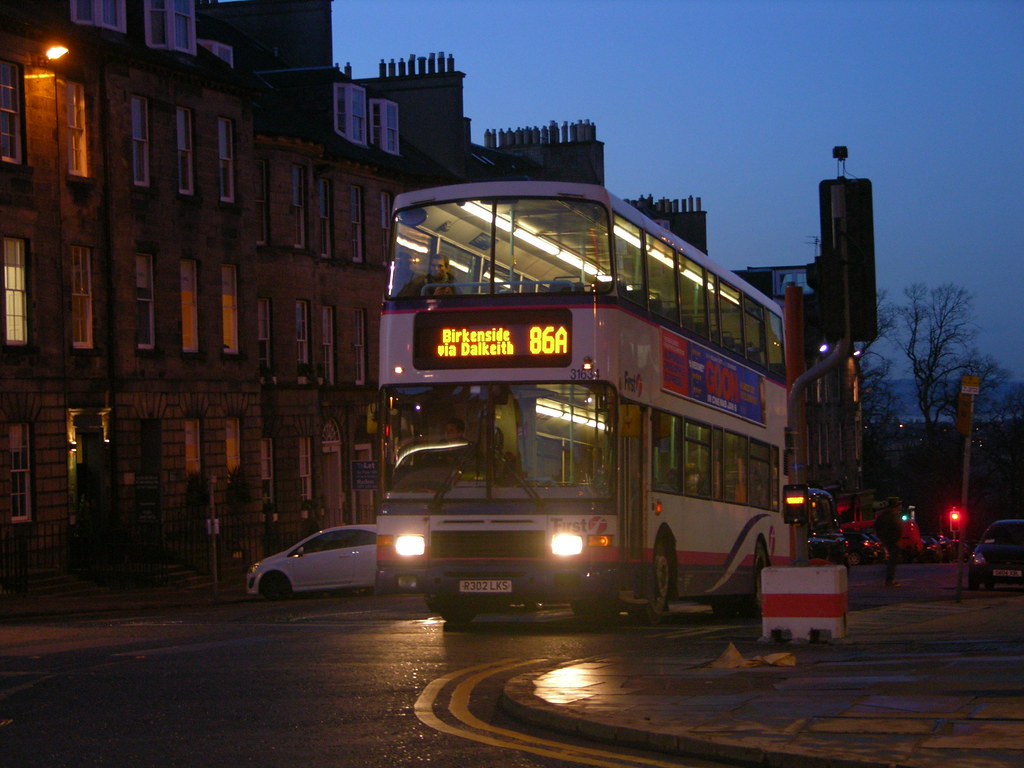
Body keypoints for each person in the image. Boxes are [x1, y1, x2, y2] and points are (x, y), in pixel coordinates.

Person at [874, 498, 903, 586]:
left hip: (886, 539)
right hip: (892, 540)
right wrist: (897, 538)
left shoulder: (882, 516)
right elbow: (897, 528)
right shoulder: (893, 516)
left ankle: (889, 578)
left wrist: (881, 537)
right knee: (893, 560)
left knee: (891, 559)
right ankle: (890, 579)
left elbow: (876, 526)